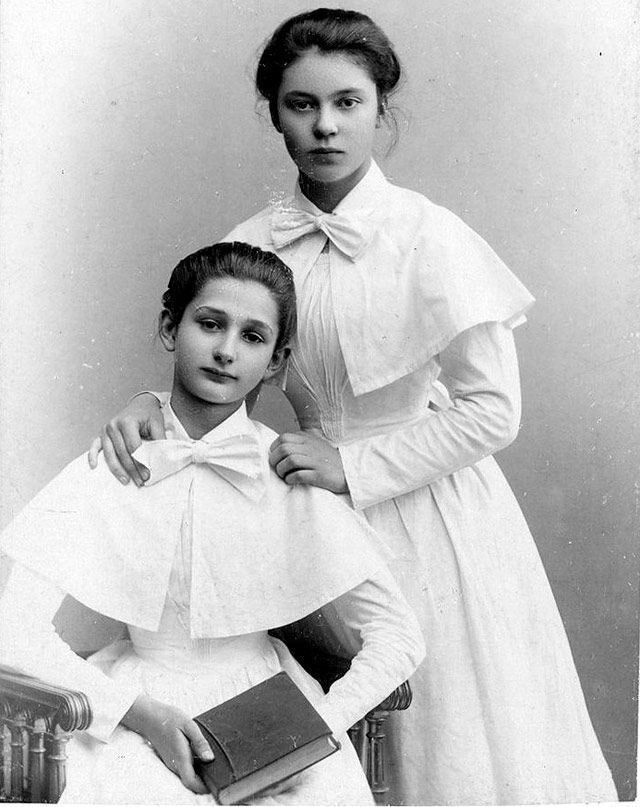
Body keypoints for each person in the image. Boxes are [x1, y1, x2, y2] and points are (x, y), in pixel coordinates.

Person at [87, 9, 618, 805]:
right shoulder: (257, 242)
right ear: (275, 113)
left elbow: (492, 411)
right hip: (303, 518)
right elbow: (224, 377)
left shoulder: (427, 236)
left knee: (446, 730)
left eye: (348, 102)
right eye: (302, 105)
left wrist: (354, 466)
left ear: (380, 108)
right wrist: (148, 403)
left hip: (430, 511)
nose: (326, 126)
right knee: (320, 740)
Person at [0, 241, 425, 805]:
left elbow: (399, 636)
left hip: (269, 710)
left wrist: (315, 726)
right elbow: (13, 627)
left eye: (252, 337)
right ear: (170, 328)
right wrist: (135, 714)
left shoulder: (285, 474)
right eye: (209, 324)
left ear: (275, 361)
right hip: (137, 708)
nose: (226, 351)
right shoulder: (120, 459)